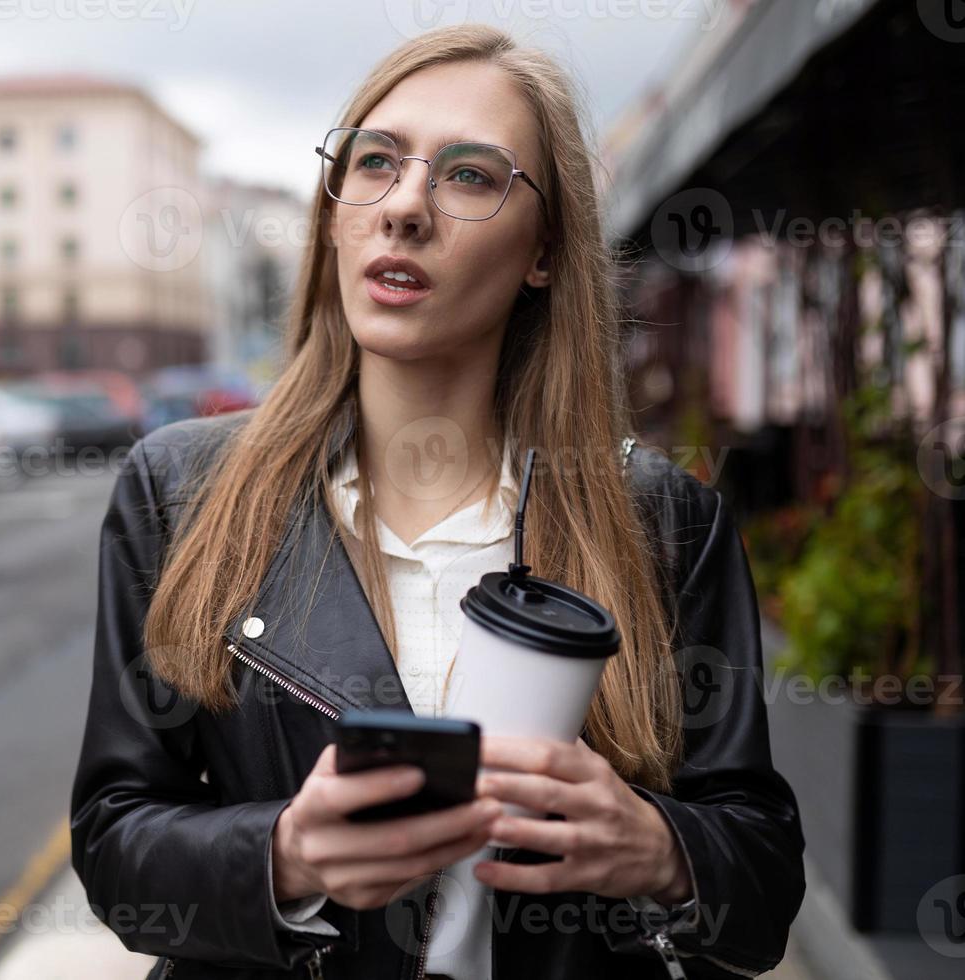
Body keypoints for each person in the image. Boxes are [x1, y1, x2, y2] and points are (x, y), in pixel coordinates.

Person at [70, 23, 804, 980]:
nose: (404, 207)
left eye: (469, 176)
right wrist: (284, 855)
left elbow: (762, 878)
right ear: (335, 213)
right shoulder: (180, 489)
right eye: (375, 161)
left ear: (544, 251)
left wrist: (657, 849)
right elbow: (115, 841)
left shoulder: (663, 520)